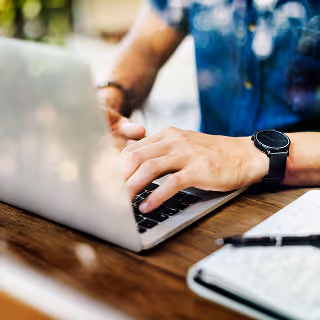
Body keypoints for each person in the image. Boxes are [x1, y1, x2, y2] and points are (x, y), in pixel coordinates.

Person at [98, 0, 320, 213]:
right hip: (206, 191)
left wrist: (248, 155)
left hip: (303, 202)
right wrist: (109, 98)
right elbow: (145, 47)